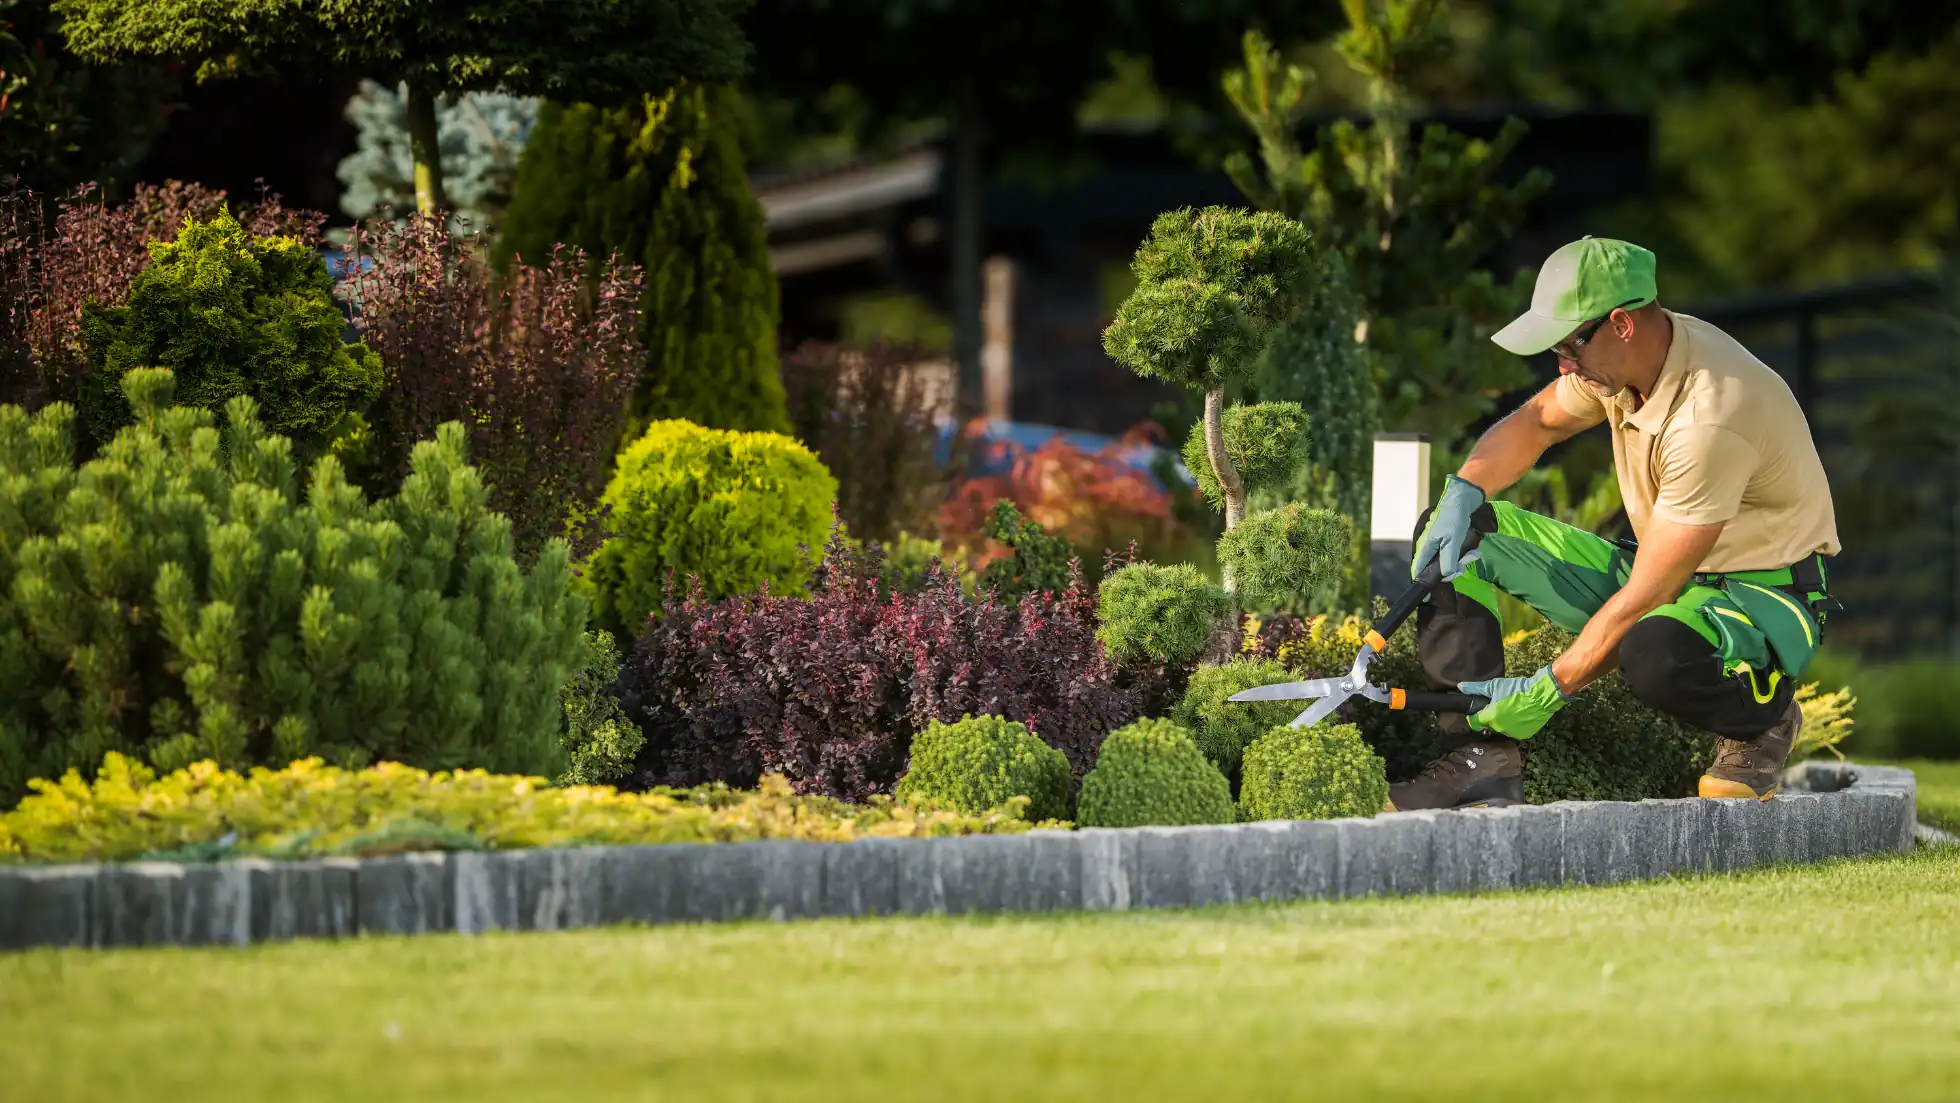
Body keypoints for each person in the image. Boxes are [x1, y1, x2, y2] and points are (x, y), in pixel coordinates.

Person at [1390, 236, 1840, 811]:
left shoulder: (1710, 417)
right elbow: (1537, 423)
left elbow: (1650, 594)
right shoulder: (1625, 367)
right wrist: (1463, 490)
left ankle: (1764, 716)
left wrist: (1548, 688)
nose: (1562, 365)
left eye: (1569, 346)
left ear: (1622, 324)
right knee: (1459, 537)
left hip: (1757, 598)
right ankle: (1481, 761)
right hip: (1667, 570)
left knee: (1654, 652)